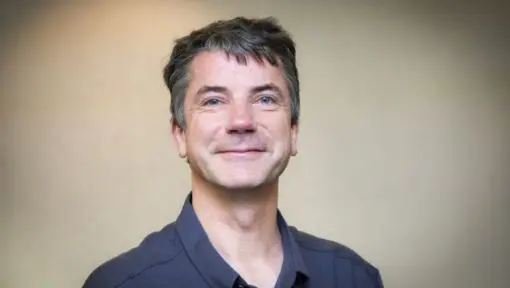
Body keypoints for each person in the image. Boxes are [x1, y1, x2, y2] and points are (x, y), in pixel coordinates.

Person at [83, 16, 383, 288]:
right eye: (213, 101)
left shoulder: (353, 278)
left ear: (293, 131)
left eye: (265, 99)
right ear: (180, 134)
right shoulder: (118, 284)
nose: (241, 121)